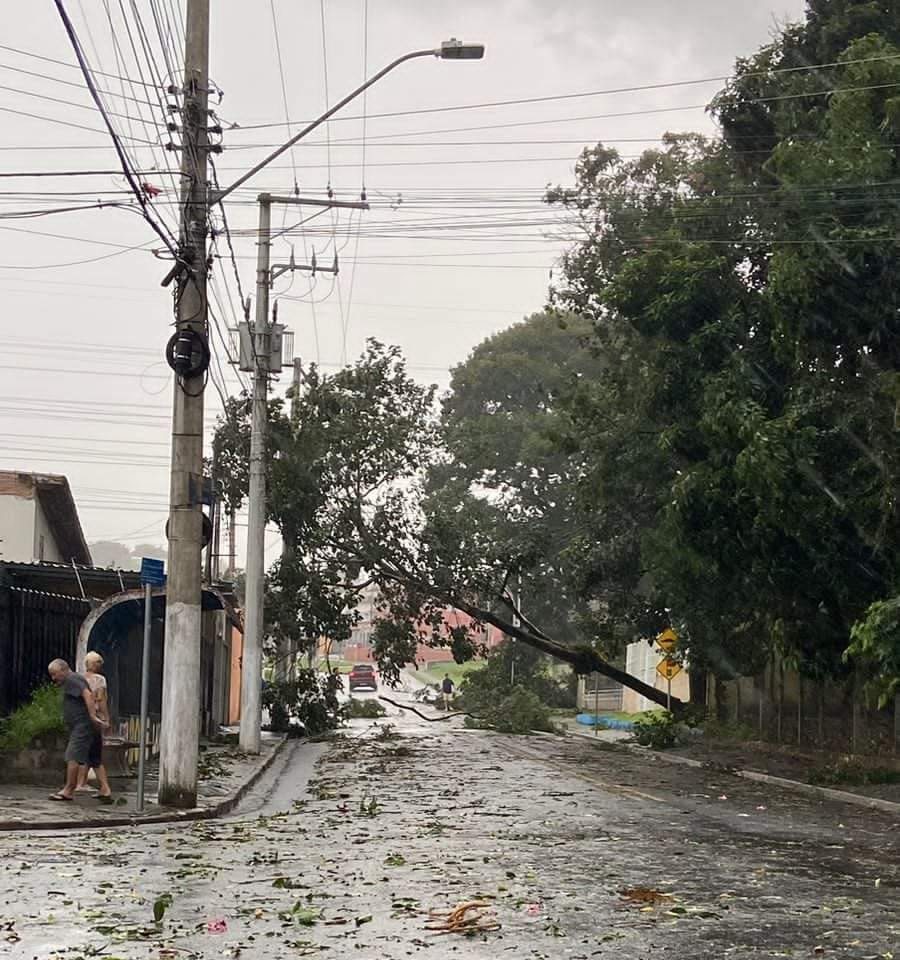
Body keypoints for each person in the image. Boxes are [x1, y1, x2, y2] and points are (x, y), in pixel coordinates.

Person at [47, 658, 107, 802]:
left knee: (72, 755)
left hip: (83, 725)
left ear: (63, 670)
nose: (53, 678)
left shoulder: (72, 679)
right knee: (94, 759)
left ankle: (68, 790)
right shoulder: (73, 680)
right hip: (84, 725)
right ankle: (105, 789)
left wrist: (92, 716)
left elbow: (88, 694)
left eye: (55, 674)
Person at [75, 652, 113, 803]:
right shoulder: (100, 680)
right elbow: (102, 700)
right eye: (99, 663)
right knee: (95, 753)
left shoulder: (79, 679)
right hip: (94, 718)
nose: (100, 665)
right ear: (95, 664)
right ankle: (104, 787)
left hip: (80, 719)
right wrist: (106, 718)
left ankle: (81, 783)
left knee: (84, 751)